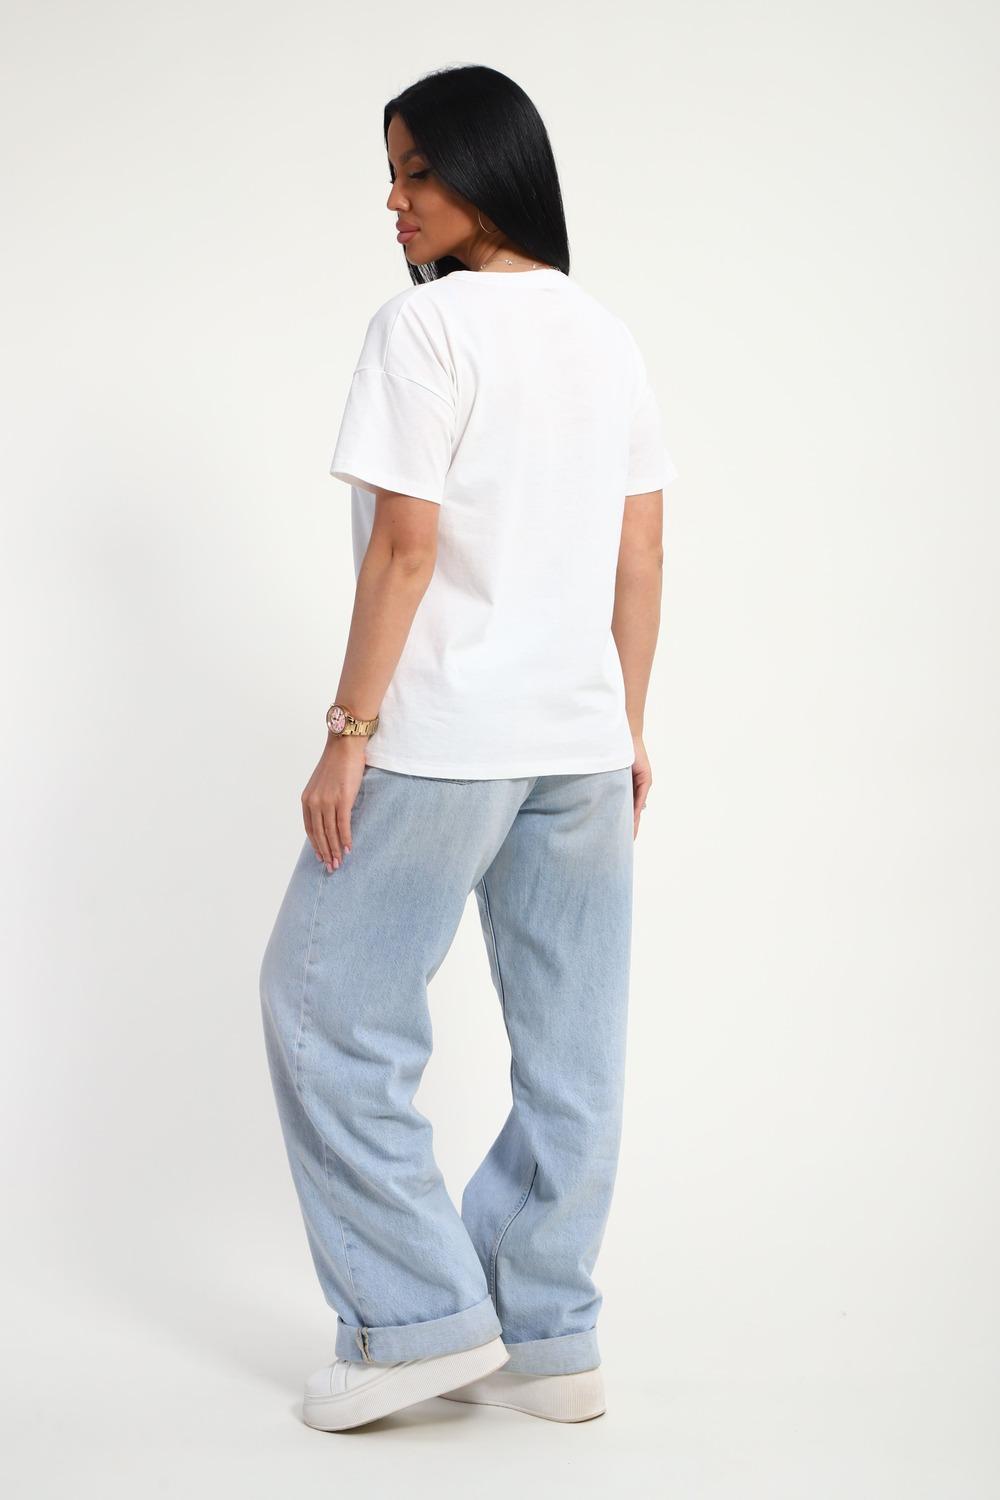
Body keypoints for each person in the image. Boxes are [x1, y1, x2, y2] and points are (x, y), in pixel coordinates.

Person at [258, 63, 679, 1433]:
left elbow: (406, 546)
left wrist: (348, 735)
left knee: (324, 1010)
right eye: (390, 174)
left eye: (420, 171)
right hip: (578, 749)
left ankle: (416, 1325)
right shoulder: (606, 337)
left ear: (493, 171)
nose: (396, 201)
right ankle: (551, 1336)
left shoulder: (423, 330)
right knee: (574, 1051)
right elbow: (641, 554)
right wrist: (625, 725)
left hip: (443, 744)